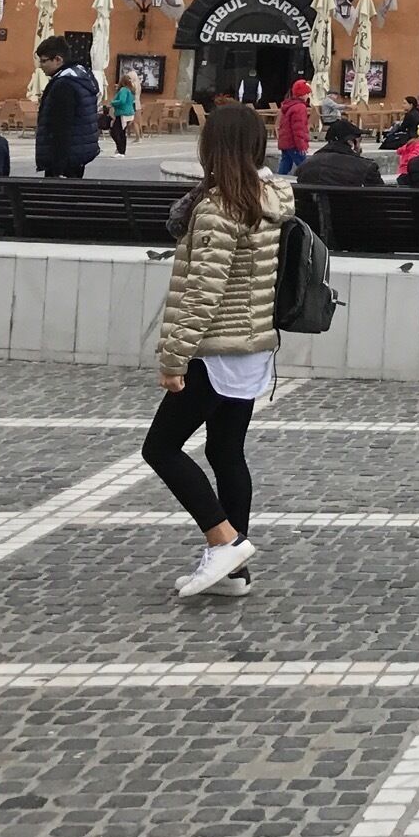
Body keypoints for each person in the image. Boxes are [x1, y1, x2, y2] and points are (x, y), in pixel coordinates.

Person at [142, 101, 285, 599]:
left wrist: (174, 357)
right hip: (251, 346)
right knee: (226, 450)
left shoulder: (221, 206)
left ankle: (223, 541)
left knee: (159, 448)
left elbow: (204, 289)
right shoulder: (273, 197)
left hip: (215, 346)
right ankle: (234, 572)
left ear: (212, 148)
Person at [34, 40, 101, 178]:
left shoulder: (63, 85)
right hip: (78, 154)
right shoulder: (81, 77)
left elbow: (61, 127)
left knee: (57, 197)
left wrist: (58, 168)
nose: (40, 66)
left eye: (44, 61)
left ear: (58, 59)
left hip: (64, 159)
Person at [294, 118, 385, 187]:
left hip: (311, 212)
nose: (360, 146)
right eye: (359, 141)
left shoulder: (305, 166)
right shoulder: (366, 168)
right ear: (351, 142)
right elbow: (381, 198)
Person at [275, 78, 313, 176]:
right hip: (294, 143)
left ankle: (279, 180)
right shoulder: (300, 107)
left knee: (285, 164)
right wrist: (301, 145)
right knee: (304, 166)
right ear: (302, 94)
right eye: (307, 93)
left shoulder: (289, 105)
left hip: (285, 141)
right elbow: (299, 128)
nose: (308, 96)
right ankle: (308, 183)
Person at [108, 72, 137, 157]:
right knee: (122, 132)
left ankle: (120, 150)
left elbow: (122, 101)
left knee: (115, 132)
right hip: (129, 113)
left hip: (122, 113)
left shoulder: (123, 90)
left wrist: (112, 103)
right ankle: (122, 151)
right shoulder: (130, 90)